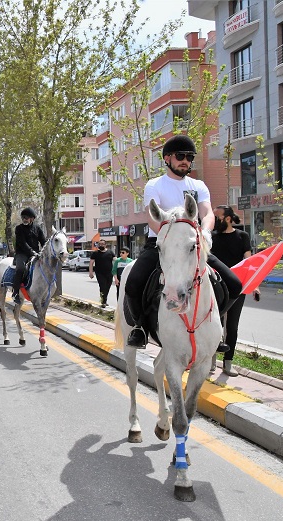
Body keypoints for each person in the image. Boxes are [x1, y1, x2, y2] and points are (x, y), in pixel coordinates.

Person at [124, 134, 242, 348]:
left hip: (193, 245)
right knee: (133, 284)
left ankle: (214, 329)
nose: (185, 160)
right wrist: (170, 237)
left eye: (189, 156)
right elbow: (152, 217)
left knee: (234, 285)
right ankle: (140, 328)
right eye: (181, 156)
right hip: (160, 246)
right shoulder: (154, 185)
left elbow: (207, 213)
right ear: (167, 158)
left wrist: (205, 232)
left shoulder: (199, 186)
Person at [212, 205, 258, 376]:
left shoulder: (242, 236)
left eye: (218, 217)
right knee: (215, 324)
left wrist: (255, 285)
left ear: (228, 219)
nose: (215, 220)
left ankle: (228, 363)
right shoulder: (212, 237)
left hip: (238, 286)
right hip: (215, 286)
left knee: (232, 326)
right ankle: (211, 361)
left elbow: (249, 261)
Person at [12, 207, 47, 304]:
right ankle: (15, 292)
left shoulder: (37, 228)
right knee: (20, 269)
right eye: (23, 217)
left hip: (35, 254)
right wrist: (33, 252)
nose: (24, 219)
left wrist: (45, 251)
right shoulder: (19, 229)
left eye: (26, 217)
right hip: (22, 254)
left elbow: (43, 241)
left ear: (32, 218)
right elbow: (22, 243)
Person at [89, 241, 115, 308]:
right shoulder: (95, 253)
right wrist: (91, 272)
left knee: (108, 287)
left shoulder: (110, 252)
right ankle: (103, 302)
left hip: (109, 273)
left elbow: (115, 260)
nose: (101, 245)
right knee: (102, 286)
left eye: (102, 244)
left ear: (105, 245)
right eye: (100, 244)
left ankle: (105, 300)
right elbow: (91, 263)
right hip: (99, 273)